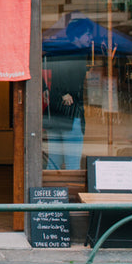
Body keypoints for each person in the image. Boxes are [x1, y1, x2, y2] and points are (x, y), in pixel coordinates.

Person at [44, 18, 92, 170]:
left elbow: (36, 65)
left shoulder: (58, 52)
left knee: (54, 162)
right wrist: (65, 92)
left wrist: (46, 88)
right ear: (78, 36)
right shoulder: (79, 55)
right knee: (72, 162)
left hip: (55, 111)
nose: (90, 38)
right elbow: (76, 84)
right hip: (71, 112)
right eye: (87, 34)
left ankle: (50, 192)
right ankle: (71, 192)